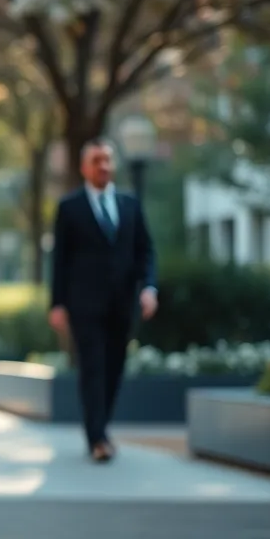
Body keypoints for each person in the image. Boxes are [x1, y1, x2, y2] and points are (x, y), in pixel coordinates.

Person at [49, 138, 158, 463]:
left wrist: (149, 288)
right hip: (84, 305)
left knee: (114, 367)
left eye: (108, 159)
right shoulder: (70, 208)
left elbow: (145, 251)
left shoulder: (130, 204)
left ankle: (101, 428)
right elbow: (60, 259)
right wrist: (57, 303)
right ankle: (97, 437)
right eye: (97, 160)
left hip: (122, 304)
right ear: (84, 168)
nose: (104, 166)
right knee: (92, 367)